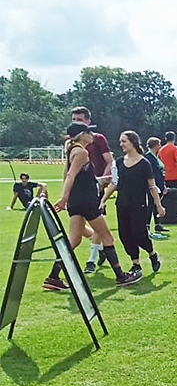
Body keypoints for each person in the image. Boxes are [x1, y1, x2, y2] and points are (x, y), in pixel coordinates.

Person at [43, 123, 139, 289]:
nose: (92, 134)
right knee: (107, 237)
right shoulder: (81, 152)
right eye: (89, 131)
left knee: (73, 240)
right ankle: (120, 276)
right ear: (82, 135)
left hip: (76, 202)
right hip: (86, 202)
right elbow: (71, 176)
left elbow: (68, 175)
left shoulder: (71, 150)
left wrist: (68, 198)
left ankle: (53, 277)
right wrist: (63, 198)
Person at [100, 131, 165, 278]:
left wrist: (159, 205)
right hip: (122, 204)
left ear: (133, 142)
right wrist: (103, 200)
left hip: (138, 205)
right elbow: (114, 183)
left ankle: (152, 254)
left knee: (139, 235)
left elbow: (152, 186)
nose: (121, 144)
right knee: (125, 235)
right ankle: (136, 264)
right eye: (121, 141)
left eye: (124, 141)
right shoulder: (119, 162)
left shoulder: (144, 163)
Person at [71, 106, 113, 271]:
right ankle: (102, 248)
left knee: (96, 223)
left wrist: (102, 182)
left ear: (88, 122)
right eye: (74, 119)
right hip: (77, 190)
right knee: (78, 230)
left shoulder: (98, 138)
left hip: (94, 186)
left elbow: (109, 161)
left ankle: (91, 260)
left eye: (80, 120)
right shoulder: (71, 141)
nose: (76, 123)